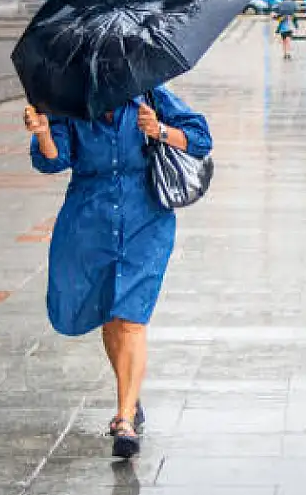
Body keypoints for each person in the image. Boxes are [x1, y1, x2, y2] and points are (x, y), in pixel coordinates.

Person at [23, 87, 212, 459]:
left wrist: (159, 129)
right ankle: (131, 395)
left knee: (130, 317)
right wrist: (43, 131)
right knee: (111, 316)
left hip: (146, 220)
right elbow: (52, 161)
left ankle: (125, 418)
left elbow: (201, 139)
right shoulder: (69, 105)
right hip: (89, 221)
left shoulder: (151, 97)